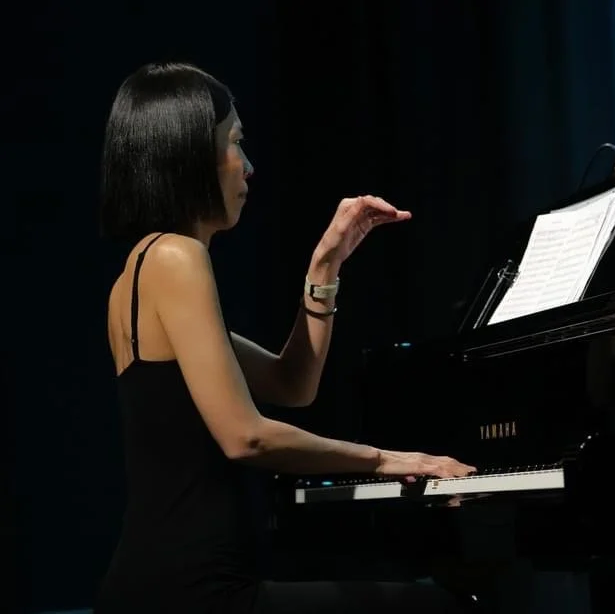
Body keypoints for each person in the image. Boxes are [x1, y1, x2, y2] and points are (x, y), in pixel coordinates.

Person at [95, 62, 476, 614]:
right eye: (234, 144)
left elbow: (291, 383)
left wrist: (326, 263)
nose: (247, 168)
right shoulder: (177, 257)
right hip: (194, 592)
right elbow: (246, 437)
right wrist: (391, 459)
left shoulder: (137, 272)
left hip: (155, 583)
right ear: (189, 154)